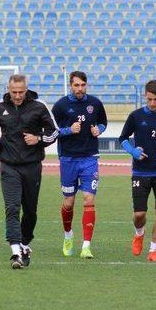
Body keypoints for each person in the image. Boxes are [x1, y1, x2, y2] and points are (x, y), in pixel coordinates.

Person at [0, 74, 58, 269]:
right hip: (8, 166)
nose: (17, 96)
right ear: (8, 89)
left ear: (26, 89)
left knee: (30, 212)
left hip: (32, 166)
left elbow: (54, 132)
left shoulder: (39, 106)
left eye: (21, 92)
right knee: (12, 208)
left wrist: (38, 138)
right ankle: (15, 252)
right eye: (14, 92)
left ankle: (25, 245)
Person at [118, 79, 156, 263]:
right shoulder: (136, 116)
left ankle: (154, 251)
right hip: (140, 172)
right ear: (145, 96)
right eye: (150, 99)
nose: (153, 103)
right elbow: (123, 138)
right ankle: (139, 233)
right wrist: (133, 151)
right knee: (139, 215)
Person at [51, 71, 107, 258]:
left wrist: (98, 129)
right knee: (69, 202)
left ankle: (86, 246)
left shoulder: (95, 103)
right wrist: (68, 130)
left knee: (89, 199)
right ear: (70, 85)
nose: (80, 89)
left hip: (90, 158)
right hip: (68, 159)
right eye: (76, 85)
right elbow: (50, 131)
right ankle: (68, 236)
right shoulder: (60, 106)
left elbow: (103, 123)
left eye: (83, 85)